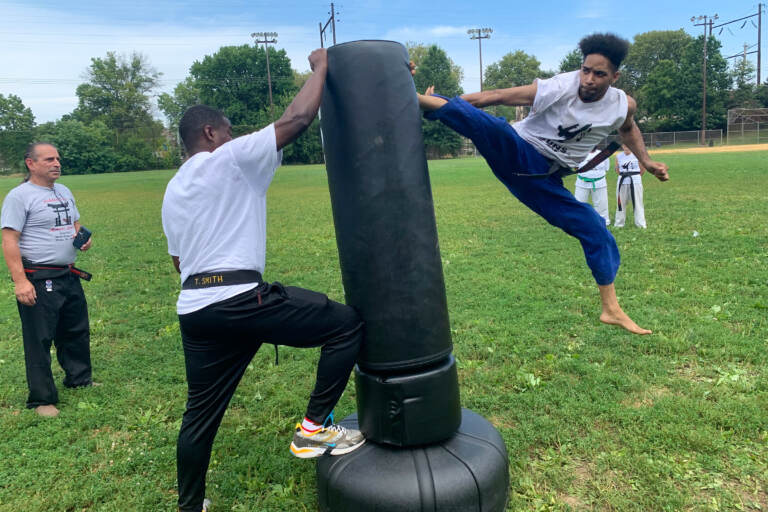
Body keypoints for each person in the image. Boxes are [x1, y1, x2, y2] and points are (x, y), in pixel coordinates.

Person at [161, 48, 365, 512]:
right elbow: (295, 120)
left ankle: (190, 506)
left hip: (196, 311)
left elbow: (179, 261)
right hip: (238, 299)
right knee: (346, 324)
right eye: (229, 131)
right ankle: (314, 430)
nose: (235, 137)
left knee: (199, 417)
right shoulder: (228, 158)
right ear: (211, 133)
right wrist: (321, 68)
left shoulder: (174, 189)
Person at [415, 33, 669, 335]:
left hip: (541, 181)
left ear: (615, 76)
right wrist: (439, 105)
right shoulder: (561, 87)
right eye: (585, 70)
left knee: (593, 226)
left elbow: (628, 130)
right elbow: (493, 97)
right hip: (519, 149)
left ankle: (611, 309)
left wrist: (647, 161)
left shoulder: (623, 105)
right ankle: (413, 98)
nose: (588, 79)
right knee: (493, 126)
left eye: (599, 74)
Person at [1, 142, 95, 418]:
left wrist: (83, 238)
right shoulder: (19, 197)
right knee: (39, 339)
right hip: (38, 277)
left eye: (58, 159)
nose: (57, 163)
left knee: (76, 330)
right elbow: (9, 239)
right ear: (31, 163)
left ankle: (79, 378)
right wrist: (21, 282)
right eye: (49, 159)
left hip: (67, 273)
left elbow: (75, 224)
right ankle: (42, 400)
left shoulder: (64, 191)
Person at [574, 147, 611, 226]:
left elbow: (606, 168)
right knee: (579, 203)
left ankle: (604, 221)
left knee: (601, 204)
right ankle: (578, 221)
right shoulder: (580, 153)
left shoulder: (603, 154)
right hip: (582, 182)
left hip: (599, 182)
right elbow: (575, 167)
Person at [614, 144, 647, 228]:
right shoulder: (618, 156)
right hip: (622, 181)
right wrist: (625, 176)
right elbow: (617, 170)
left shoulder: (637, 155)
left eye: (628, 145)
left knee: (637, 203)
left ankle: (640, 224)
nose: (626, 147)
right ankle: (619, 224)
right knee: (620, 203)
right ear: (622, 146)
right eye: (625, 145)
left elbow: (642, 169)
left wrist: (635, 177)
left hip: (635, 181)